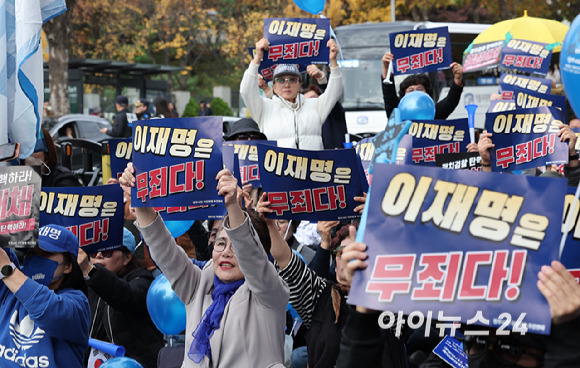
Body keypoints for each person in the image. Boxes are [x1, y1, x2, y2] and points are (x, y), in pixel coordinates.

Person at [119, 164, 289, 367]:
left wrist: (233, 207)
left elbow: (252, 258)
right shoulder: (199, 286)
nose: (226, 252)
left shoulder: (270, 293)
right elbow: (163, 249)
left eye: (237, 246)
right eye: (221, 243)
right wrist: (140, 199)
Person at [257, 196, 406, 368]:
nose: (352, 258)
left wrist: (381, 217)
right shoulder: (319, 294)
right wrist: (269, 224)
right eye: (343, 252)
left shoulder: (393, 297)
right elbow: (286, 260)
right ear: (334, 265)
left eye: (361, 250)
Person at [0, 224, 90, 367]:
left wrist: (7, 271)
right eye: (31, 253)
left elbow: (49, 312)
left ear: (68, 266)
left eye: (45, 254)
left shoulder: (77, 303)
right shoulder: (9, 290)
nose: (36, 259)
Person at [78, 228, 163, 368]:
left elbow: (126, 296)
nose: (98, 255)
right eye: (93, 251)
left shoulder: (142, 280)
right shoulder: (86, 283)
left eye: (107, 251)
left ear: (127, 257)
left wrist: (91, 271)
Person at [240, 38, 342, 150]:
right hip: (278, 167)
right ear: (273, 86)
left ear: (300, 85)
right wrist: (257, 58)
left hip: (312, 167)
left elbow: (335, 92)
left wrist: (333, 61)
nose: (287, 85)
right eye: (280, 80)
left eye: (292, 80)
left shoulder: (314, 105)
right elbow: (246, 91)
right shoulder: (264, 108)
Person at [381, 52, 464, 120]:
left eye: (419, 89)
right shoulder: (397, 114)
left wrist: (457, 78)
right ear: (403, 96)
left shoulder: (434, 113)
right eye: (411, 90)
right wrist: (386, 68)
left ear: (427, 93)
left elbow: (451, 101)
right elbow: (389, 96)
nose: (415, 93)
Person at [304, 65, 349, 149]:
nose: (310, 102)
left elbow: (331, 95)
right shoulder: (303, 122)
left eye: (313, 98)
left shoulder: (332, 112)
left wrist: (321, 77)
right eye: (306, 101)